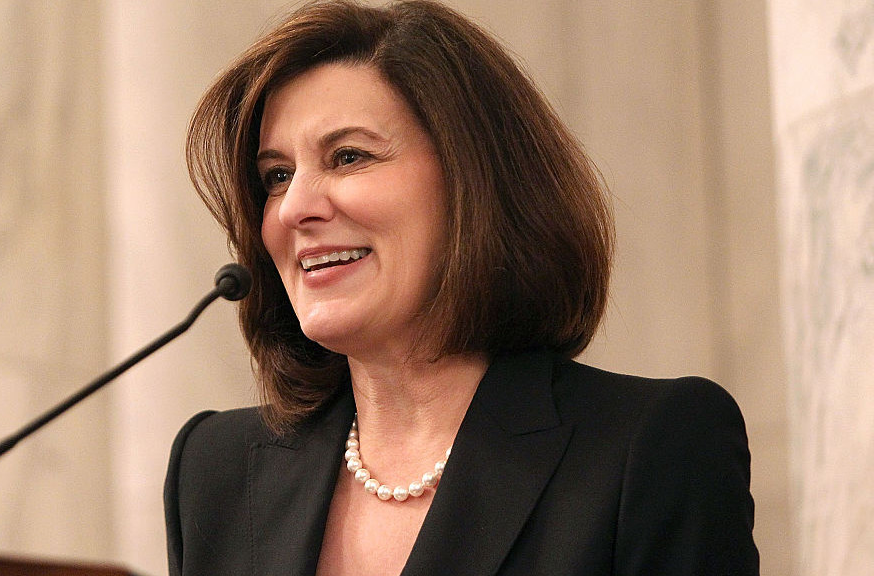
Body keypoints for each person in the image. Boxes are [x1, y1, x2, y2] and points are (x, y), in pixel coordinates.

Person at [164, 1, 759, 574]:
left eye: (348, 157)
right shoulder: (216, 472)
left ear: (473, 182)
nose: (294, 207)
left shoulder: (650, 449)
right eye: (277, 176)